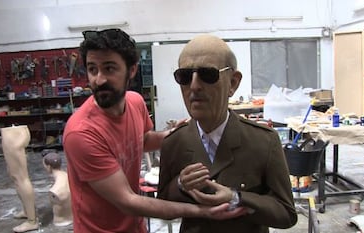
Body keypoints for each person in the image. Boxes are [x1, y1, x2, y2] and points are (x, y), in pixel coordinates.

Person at [63, 28, 247, 233]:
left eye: (109, 68)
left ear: (131, 70)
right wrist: (203, 211)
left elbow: (143, 140)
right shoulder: (81, 134)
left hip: (134, 226)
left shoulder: (135, 102)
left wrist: (177, 134)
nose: (99, 79)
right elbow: (128, 201)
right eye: (92, 69)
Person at [157, 34, 298, 233]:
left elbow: (286, 214)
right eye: (185, 77)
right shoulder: (173, 143)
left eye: (208, 75)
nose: (194, 86)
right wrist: (180, 185)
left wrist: (237, 198)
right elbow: (163, 208)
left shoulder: (263, 141)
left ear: (233, 83)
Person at [0, 124, 38, 232]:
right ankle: (27, 212)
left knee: (20, 177)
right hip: (13, 132)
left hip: (13, 134)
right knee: (15, 175)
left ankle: (32, 221)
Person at [42, 152, 73, 227]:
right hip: (74, 217)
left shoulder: (54, 191)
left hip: (61, 222)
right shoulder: (68, 176)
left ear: (49, 167)